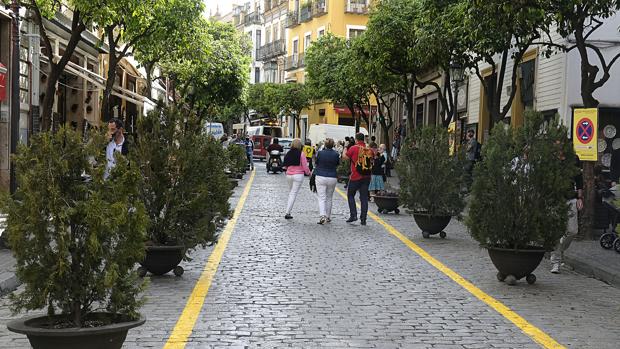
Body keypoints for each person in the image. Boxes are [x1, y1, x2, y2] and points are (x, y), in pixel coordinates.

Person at [550, 156, 584, 274]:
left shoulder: (574, 159)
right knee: (557, 231)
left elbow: (579, 181)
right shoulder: (552, 160)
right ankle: (556, 262)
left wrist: (580, 198)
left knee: (573, 230)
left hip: (571, 200)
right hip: (556, 200)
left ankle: (557, 250)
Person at [343, 133, 372, 225]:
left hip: (356, 176)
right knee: (364, 197)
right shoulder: (369, 149)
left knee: (350, 195)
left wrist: (345, 147)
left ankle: (353, 215)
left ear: (356, 139)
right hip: (367, 176)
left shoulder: (354, 148)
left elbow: (345, 158)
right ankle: (363, 219)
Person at [282, 139, 311, 219]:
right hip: (298, 175)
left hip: (289, 175)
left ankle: (288, 211)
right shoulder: (301, 154)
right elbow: (305, 166)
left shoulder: (288, 153)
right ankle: (287, 212)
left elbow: (285, 165)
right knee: (293, 193)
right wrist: (309, 173)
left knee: (291, 192)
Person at [314, 138, 340, 225]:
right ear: (333, 145)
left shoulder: (320, 153)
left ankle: (322, 216)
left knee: (322, 197)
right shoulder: (336, 154)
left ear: (325, 145)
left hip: (320, 175)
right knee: (329, 197)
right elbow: (337, 164)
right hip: (332, 176)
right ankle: (328, 216)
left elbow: (316, 162)